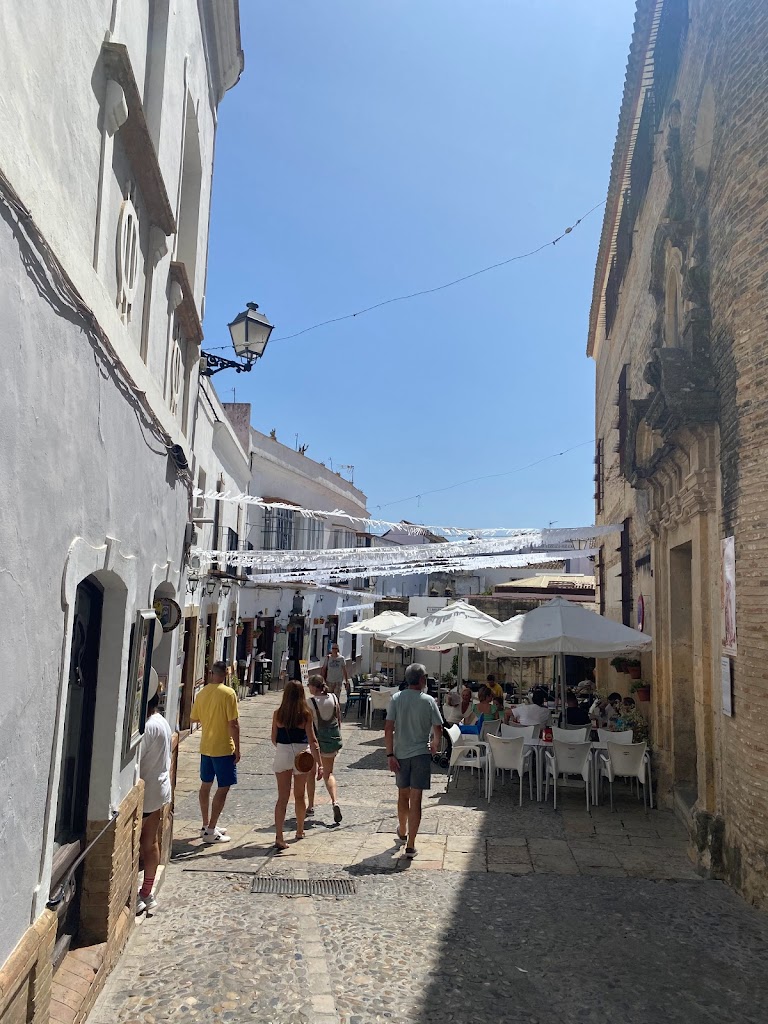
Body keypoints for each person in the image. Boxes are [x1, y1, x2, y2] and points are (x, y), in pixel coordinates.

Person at [384, 663, 443, 860]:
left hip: (400, 754)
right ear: (421, 680)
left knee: (403, 795)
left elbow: (388, 728)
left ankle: (402, 829)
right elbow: (438, 728)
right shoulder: (428, 701)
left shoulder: (396, 699)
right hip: (421, 754)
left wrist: (390, 754)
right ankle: (410, 844)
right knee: (416, 799)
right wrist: (434, 744)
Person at [190, 661, 240, 843]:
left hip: (206, 746)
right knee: (223, 787)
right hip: (223, 746)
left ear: (211, 673)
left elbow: (194, 718)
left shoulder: (202, 693)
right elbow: (233, 724)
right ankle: (211, 830)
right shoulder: (229, 694)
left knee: (206, 784)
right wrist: (238, 748)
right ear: (226, 674)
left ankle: (206, 824)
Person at [271, 680, 322, 850]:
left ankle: (279, 836)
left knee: (282, 798)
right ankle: (300, 830)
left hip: (282, 754)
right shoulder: (306, 714)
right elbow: (313, 741)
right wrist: (320, 764)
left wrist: (284, 748)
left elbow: (273, 739)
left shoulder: (278, 714)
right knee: (300, 796)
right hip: (302, 757)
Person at [137, 690, 172, 913]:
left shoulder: (148, 727)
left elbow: (135, 758)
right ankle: (147, 892)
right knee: (150, 843)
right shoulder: (163, 721)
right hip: (160, 788)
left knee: (140, 845)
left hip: (147, 791)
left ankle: (141, 895)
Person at [306, 675, 343, 824]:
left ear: (314, 687)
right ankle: (334, 801)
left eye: (309, 685)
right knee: (329, 774)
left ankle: (310, 805)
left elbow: (306, 724)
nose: (308, 688)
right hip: (331, 741)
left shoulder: (310, 702)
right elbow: (338, 719)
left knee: (311, 773)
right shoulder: (333, 698)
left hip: (315, 742)